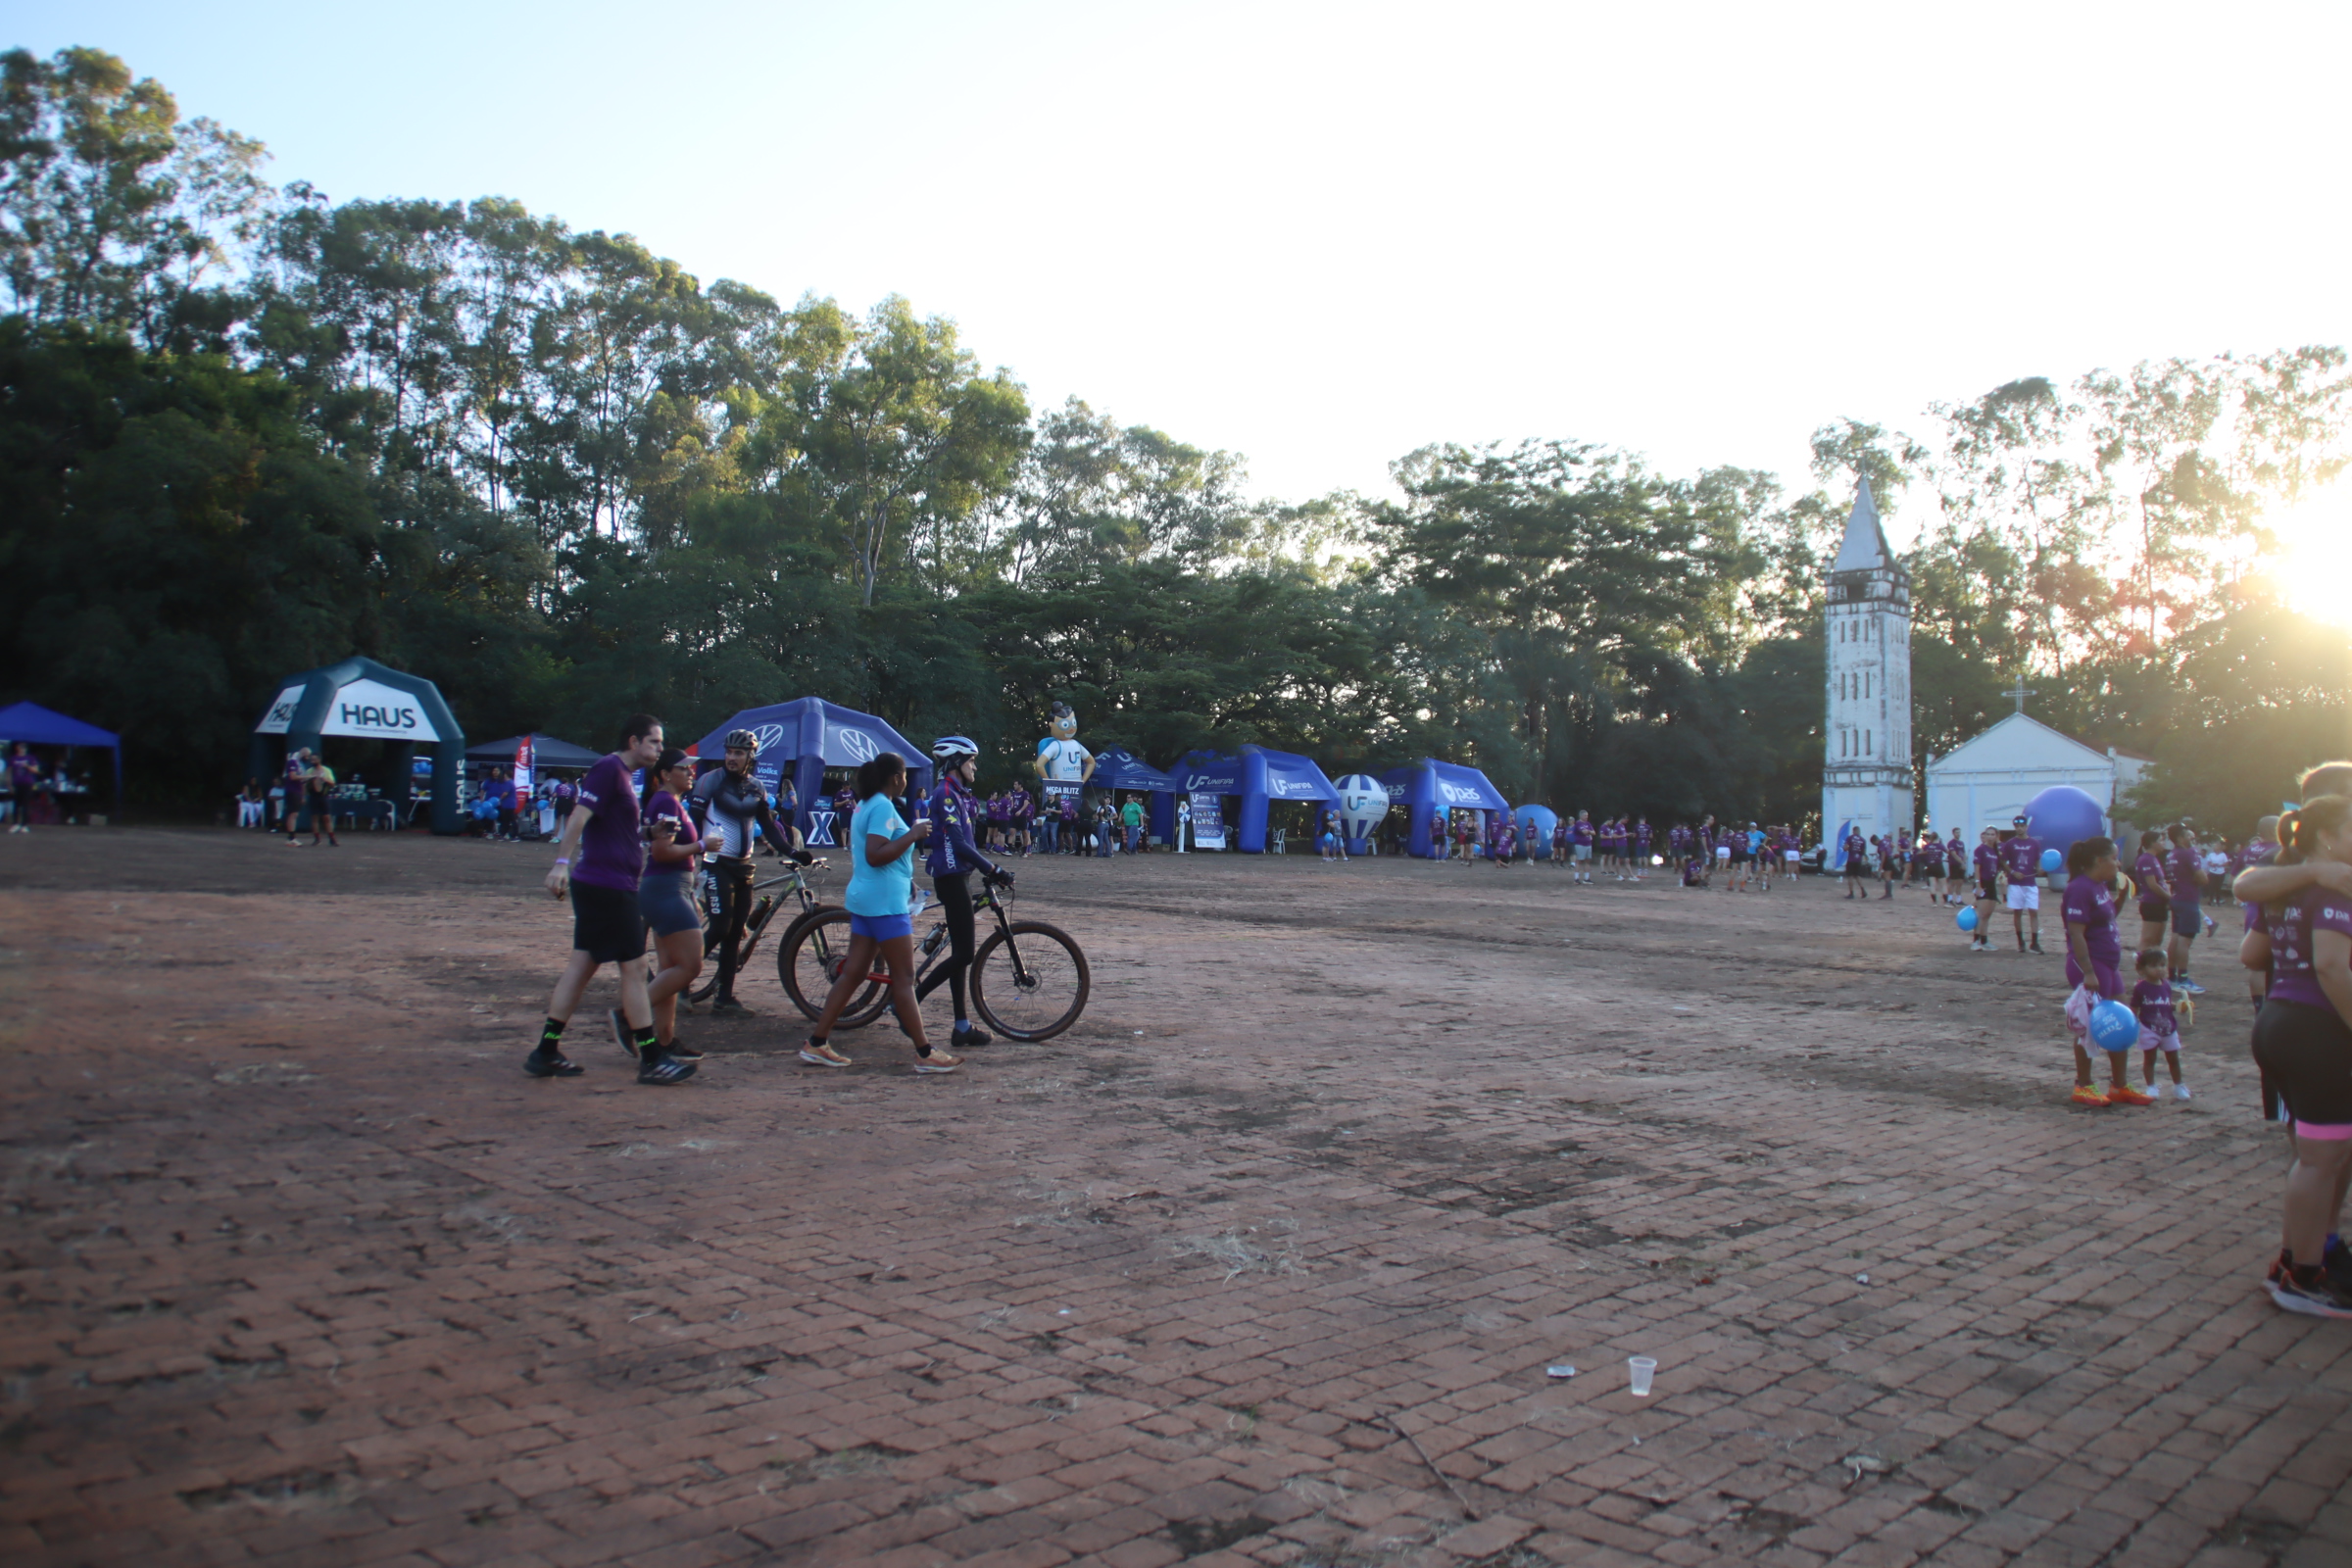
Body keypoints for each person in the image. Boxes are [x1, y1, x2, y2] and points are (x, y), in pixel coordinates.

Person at [530, 714, 689, 1085]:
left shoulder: (622, 777)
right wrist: (559, 864)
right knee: (633, 970)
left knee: (581, 967)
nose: (660, 750)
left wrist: (651, 831)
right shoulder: (608, 769)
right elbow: (579, 818)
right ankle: (651, 1057)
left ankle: (546, 1050)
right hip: (608, 887)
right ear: (633, 741)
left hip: (603, 884)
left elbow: (617, 829)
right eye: (654, 742)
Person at [2243, 795, 2352, 1315]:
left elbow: (2251, 954)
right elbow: (2333, 968)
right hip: (2316, 1031)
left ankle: (2294, 1265)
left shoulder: (2289, 884)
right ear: (2328, 836)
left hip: (2278, 1020)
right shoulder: (2335, 888)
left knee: (2315, 1157)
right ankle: (2303, 1280)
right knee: (2321, 1160)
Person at [802, 751, 956, 1073]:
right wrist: (913, 834)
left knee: (854, 973)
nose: (905, 781)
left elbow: (879, 852)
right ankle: (924, 1052)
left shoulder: (866, 804)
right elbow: (875, 854)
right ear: (895, 777)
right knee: (904, 978)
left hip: (868, 899)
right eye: (902, 776)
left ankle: (817, 1043)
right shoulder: (884, 806)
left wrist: (907, 876)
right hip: (885, 905)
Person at [914, 736, 1007, 1054]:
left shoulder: (957, 793)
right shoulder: (945, 794)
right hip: (951, 876)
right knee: (965, 954)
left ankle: (961, 1026)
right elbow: (956, 842)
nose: (975, 767)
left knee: (960, 954)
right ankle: (910, 1004)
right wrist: (991, 868)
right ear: (955, 763)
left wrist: (984, 867)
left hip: (960, 875)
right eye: (970, 762)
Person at [692, 729, 794, 1016]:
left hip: (744, 867)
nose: (732, 758)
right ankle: (677, 978)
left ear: (751, 756)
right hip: (715, 864)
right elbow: (693, 822)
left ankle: (724, 997)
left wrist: (794, 852)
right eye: (729, 752)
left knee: (736, 933)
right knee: (721, 927)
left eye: (738, 753)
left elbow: (770, 829)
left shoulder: (757, 787)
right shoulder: (709, 781)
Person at [2060, 836, 2150, 1107]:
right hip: (2090, 965)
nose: (2118, 863)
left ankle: (2119, 1085)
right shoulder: (2079, 888)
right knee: (2089, 1025)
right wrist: (2088, 972)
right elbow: (2076, 933)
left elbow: (2107, 916)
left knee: (2122, 1022)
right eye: (2114, 857)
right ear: (2100, 861)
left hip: (2108, 964)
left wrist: (2121, 897)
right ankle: (2083, 1085)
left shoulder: (2099, 886)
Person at [637, 749, 707, 1063]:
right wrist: (702, 845)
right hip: (664, 889)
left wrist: (691, 893)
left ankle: (664, 1039)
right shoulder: (665, 802)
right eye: (685, 769)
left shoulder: (672, 802)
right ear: (665, 774)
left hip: (669, 888)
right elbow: (662, 852)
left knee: (669, 969)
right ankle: (629, 1016)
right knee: (691, 965)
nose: (691, 773)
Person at [2131, 947, 2186, 1101]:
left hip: (2169, 1027)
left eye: (2162, 965)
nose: (2160, 969)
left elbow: (2166, 1004)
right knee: (2150, 1059)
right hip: (2149, 1028)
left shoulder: (2166, 985)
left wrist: (2180, 1006)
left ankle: (2179, 1085)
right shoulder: (2141, 988)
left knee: (2174, 1058)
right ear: (2142, 969)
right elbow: (2134, 1007)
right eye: (2154, 966)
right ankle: (2151, 1086)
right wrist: (2130, 1022)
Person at [2163, 822, 2208, 995]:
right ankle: (2183, 979)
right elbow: (2202, 878)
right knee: (2185, 941)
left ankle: (2172, 977)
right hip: (2188, 899)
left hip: (2177, 898)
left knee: (2175, 937)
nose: (2191, 838)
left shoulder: (2171, 854)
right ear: (2180, 838)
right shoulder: (2189, 853)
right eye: (2188, 835)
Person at [1999, 816, 2042, 953]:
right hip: (2015, 883)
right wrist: (2012, 872)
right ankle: (2020, 941)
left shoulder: (2034, 843)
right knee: (2017, 912)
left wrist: (2040, 870)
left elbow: (2037, 861)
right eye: (2017, 826)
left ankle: (2035, 943)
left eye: (2022, 826)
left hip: (2030, 883)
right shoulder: (2010, 843)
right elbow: (2003, 861)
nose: (2019, 828)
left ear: (2026, 827)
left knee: (2033, 911)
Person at [2130, 830, 2171, 958]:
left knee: (2157, 940)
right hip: (2152, 903)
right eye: (2161, 840)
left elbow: (2161, 882)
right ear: (2152, 843)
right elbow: (2152, 884)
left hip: (2160, 903)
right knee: (2148, 940)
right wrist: (2170, 898)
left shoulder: (2154, 859)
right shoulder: (2146, 859)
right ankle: (2142, 963)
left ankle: (2152, 965)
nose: (2164, 843)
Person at [1842, 827, 1870, 900]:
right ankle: (1863, 890)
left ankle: (1851, 893)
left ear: (1853, 831)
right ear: (1859, 831)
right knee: (1857, 876)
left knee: (1850, 876)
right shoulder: (1863, 840)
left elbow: (1845, 848)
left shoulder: (1850, 838)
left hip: (1851, 860)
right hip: (1858, 860)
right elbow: (1864, 852)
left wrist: (1847, 848)